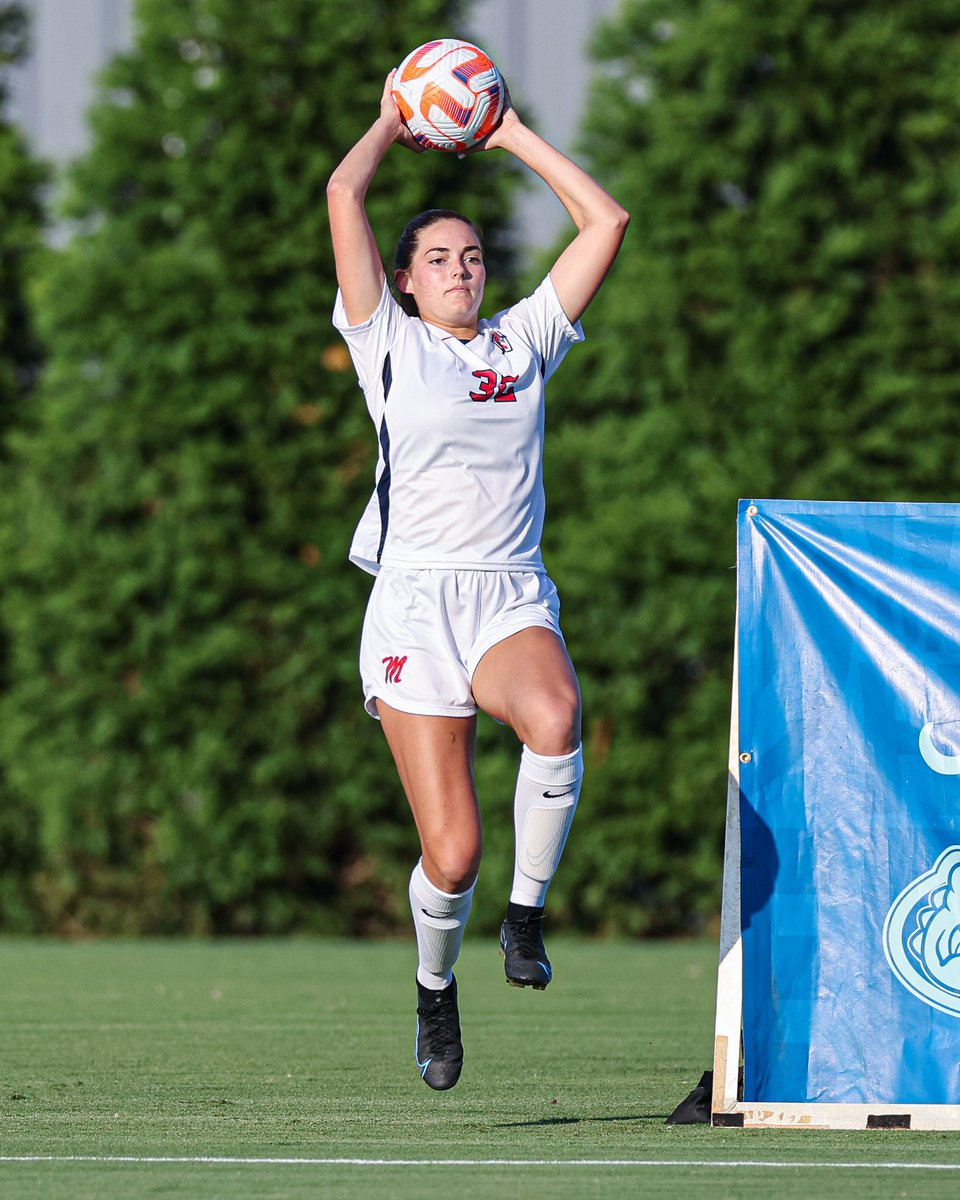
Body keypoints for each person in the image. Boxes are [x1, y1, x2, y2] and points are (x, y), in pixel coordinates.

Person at [327, 68, 628, 1091]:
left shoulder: (522, 340)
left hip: (507, 591)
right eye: (439, 260)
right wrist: (392, 116)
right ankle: (434, 989)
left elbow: (606, 221)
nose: (461, 270)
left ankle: (526, 915)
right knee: (451, 853)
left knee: (556, 714)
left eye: (472, 256)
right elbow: (343, 194)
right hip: (415, 604)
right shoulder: (387, 343)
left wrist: (510, 135)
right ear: (404, 282)